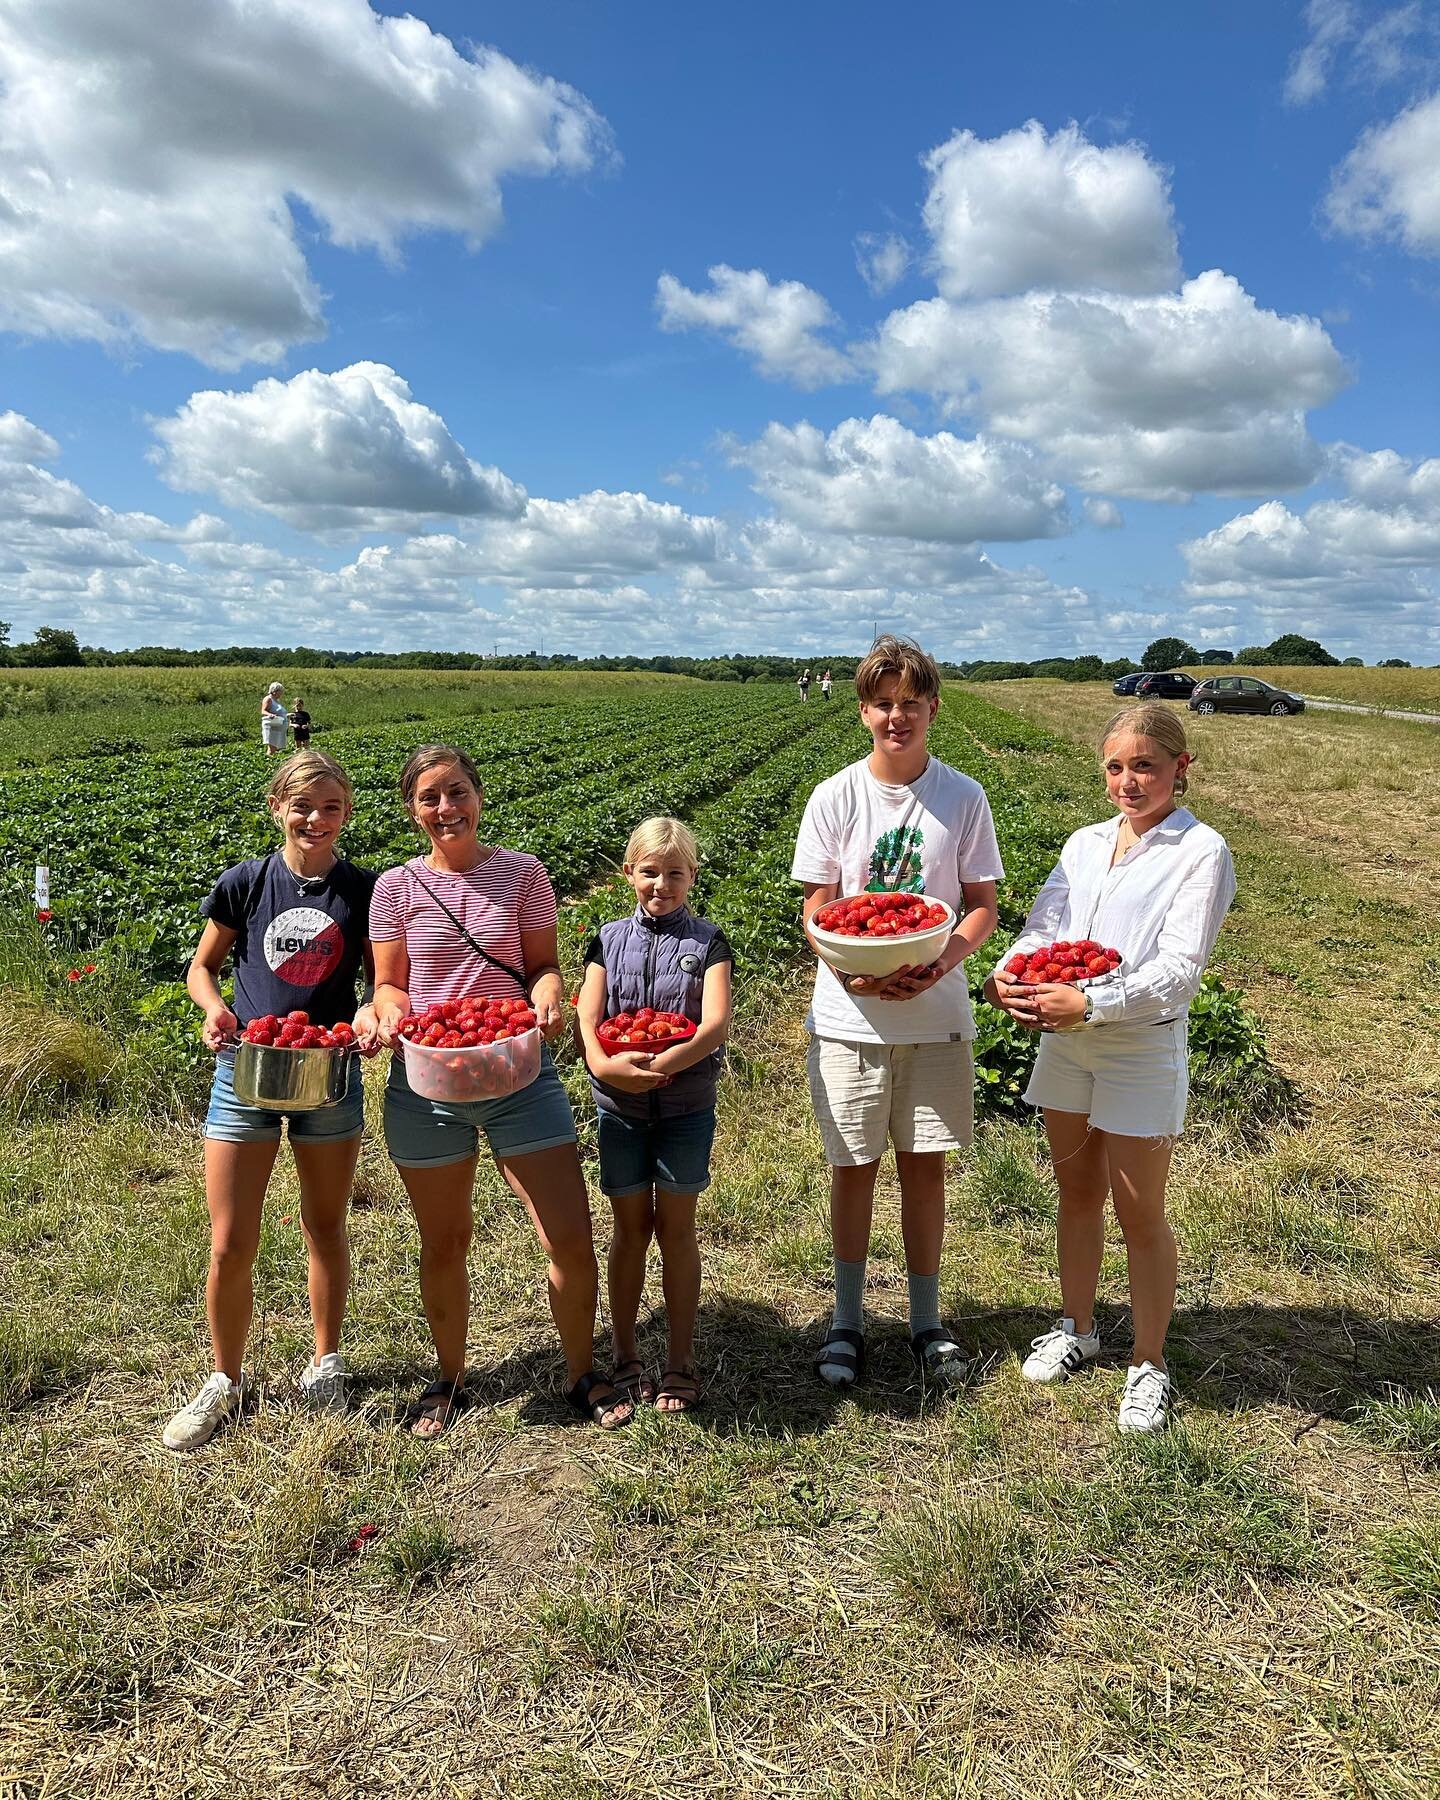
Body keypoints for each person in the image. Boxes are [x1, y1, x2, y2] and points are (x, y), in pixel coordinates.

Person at [356, 745, 632, 1436]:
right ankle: (448, 1378)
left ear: (478, 795)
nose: (446, 809)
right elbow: (390, 983)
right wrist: (386, 1011)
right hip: (428, 1078)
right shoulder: (395, 887)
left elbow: (542, 967)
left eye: (456, 792)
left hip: (518, 1074)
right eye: (429, 797)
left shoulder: (523, 874)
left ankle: (580, 1372)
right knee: (444, 1242)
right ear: (412, 809)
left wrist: (548, 1001)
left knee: (569, 1238)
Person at [983, 703, 1236, 1434]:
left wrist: (1090, 1003)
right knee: (1076, 1192)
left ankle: (1148, 1363)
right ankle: (1079, 1327)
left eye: (1146, 766)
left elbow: (1181, 970)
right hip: (1066, 1035)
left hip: (1138, 1043)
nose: (1130, 781)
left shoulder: (1200, 850)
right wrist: (1010, 975)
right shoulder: (1086, 843)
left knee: (1140, 1211)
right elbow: (1044, 926)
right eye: (1116, 767)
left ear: (1180, 769)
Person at [792, 636, 1002, 1391]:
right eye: (882, 703)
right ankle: (846, 1321)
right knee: (852, 1169)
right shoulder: (834, 796)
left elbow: (980, 907)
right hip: (850, 1019)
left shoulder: (962, 796)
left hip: (936, 1016)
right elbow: (819, 907)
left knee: (924, 1171)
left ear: (933, 708)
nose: (896, 716)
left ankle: (924, 1320)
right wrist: (849, 967)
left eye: (910, 703)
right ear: (862, 712)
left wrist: (941, 963)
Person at [165, 751, 375, 1450]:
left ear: (347, 813)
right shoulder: (246, 883)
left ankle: (325, 1364)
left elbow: (385, 983)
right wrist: (212, 1009)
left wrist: (372, 1019)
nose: (316, 820)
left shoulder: (365, 892)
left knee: (325, 1226)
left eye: (331, 808)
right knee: (230, 1242)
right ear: (276, 807)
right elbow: (203, 966)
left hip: (329, 1075)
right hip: (246, 1072)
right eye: (302, 806)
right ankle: (224, 1379)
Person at [576, 817, 733, 1414]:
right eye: (649, 871)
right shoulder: (606, 938)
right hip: (618, 1107)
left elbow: (715, 1023)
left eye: (674, 873)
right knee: (629, 1228)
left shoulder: (709, 942)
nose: (661, 884)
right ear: (628, 874)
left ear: (692, 876)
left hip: (686, 1106)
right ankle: (625, 1354)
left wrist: (669, 1058)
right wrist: (603, 1065)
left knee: (677, 1228)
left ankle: (680, 1359)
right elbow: (589, 1017)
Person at [261, 681, 288, 757]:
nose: (281, 694)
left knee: (275, 748)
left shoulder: (276, 701)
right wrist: (270, 714)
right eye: (280, 692)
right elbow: (263, 710)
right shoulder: (268, 699)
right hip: (272, 726)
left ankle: (271, 761)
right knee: (272, 748)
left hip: (278, 727)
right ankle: (268, 762)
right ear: (274, 691)